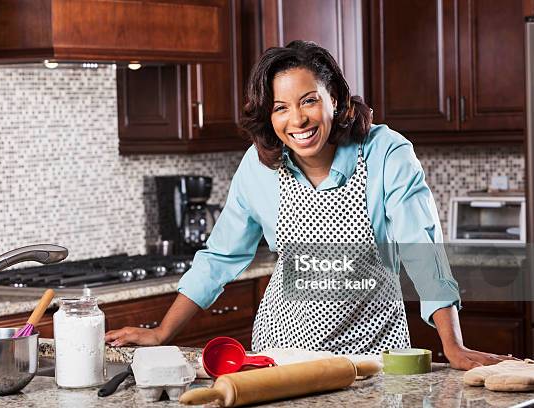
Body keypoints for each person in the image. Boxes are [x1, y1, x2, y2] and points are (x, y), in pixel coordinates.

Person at [105, 40, 513, 370]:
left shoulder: (386, 153)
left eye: (308, 100)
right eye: (280, 108)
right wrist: (162, 332)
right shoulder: (259, 165)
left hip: (373, 351)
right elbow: (220, 257)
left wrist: (453, 346)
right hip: (281, 352)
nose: (296, 120)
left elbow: (421, 248)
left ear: (334, 96)